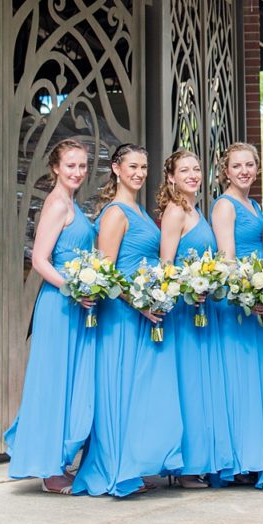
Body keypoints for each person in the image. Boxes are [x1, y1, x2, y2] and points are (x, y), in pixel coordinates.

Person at [72, 144, 183, 497]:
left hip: (143, 311)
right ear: (117, 169)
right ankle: (114, 469)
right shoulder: (115, 212)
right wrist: (138, 302)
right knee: (118, 390)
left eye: (144, 167)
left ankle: (132, 463)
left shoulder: (139, 209)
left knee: (137, 394)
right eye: (132, 166)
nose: (139, 173)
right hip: (122, 315)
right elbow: (105, 270)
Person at [5, 139, 96, 493]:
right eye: (71, 165)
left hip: (75, 306)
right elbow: (39, 260)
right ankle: (49, 468)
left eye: (83, 165)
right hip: (59, 305)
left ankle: (58, 460)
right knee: (54, 382)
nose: (77, 172)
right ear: (56, 168)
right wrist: (74, 288)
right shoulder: (57, 204)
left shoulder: (72, 202)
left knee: (69, 381)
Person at [158, 149, 233, 488]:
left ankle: (199, 461)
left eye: (196, 168)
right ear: (171, 177)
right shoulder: (175, 211)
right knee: (189, 386)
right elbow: (165, 265)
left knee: (203, 386)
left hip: (203, 310)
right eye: (184, 170)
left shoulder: (194, 209)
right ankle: (185, 466)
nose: (192, 174)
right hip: (186, 313)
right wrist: (189, 287)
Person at [211, 142, 263, 485]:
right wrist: (249, 292)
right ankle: (238, 460)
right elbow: (227, 258)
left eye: (249, 165)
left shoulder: (253, 204)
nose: (244, 171)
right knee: (240, 379)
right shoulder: (225, 206)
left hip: (257, 296)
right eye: (237, 166)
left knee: (256, 379)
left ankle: (256, 455)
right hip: (238, 300)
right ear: (226, 171)